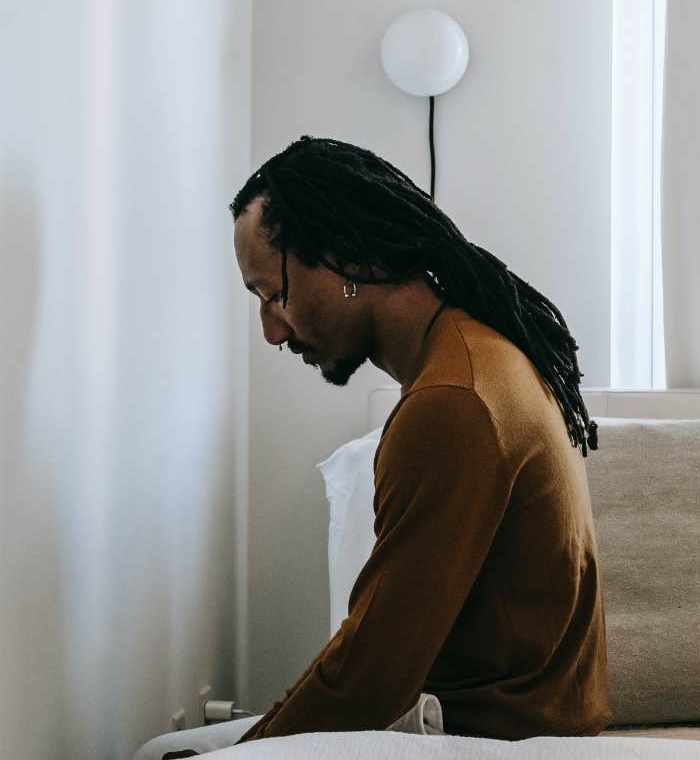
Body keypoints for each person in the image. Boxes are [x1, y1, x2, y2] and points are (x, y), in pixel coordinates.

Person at [135, 136, 609, 759]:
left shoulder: (452, 405)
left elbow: (368, 681)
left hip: (489, 738)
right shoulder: (480, 351)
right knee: (160, 750)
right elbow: (370, 657)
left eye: (275, 296)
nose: (272, 332)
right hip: (509, 718)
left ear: (347, 258)